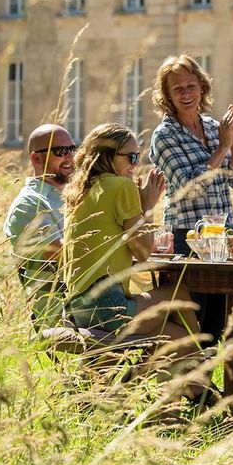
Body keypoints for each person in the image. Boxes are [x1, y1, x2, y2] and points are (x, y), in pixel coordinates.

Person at [62, 122, 195, 343]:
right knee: (179, 293)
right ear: (108, 156)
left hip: (77, 310)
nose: (135, 164)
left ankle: (139, 377)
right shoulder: (122, 186)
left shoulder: (79, 190)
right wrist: (148, 207)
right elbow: (144, 253)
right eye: (131, 157)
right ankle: (205, 359)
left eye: (138, 156)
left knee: (177, 338)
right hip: (107, 308)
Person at [148, 54, 233, 251]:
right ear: (167, 95)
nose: (186, 94)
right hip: (185, 239)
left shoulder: (214, 128)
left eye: (191, 87)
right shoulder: (164, 135)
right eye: (178, 89)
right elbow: (189, 187)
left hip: (224, 236)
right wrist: (222, 147)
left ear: (202, 88)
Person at [3, 123, 77, 324]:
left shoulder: (73, 197)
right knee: (167, 305)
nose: (70, 157)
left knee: (170, 303)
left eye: (73, 149)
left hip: (89, 298)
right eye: (61, 151)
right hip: (66, 311)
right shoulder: (29, 204)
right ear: (36, 158)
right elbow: (65, 253)